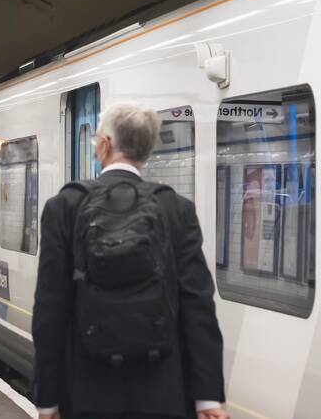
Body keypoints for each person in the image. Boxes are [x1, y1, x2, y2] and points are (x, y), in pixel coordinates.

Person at [32, 103, 228, 419]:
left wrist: (48, 400)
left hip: (85, 393)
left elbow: (50, 310)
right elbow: (198, 304)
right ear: (146, 150)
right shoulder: (176, 208)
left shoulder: (64, 206)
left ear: (104, 144)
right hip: (163, 394)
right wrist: (207, 398)